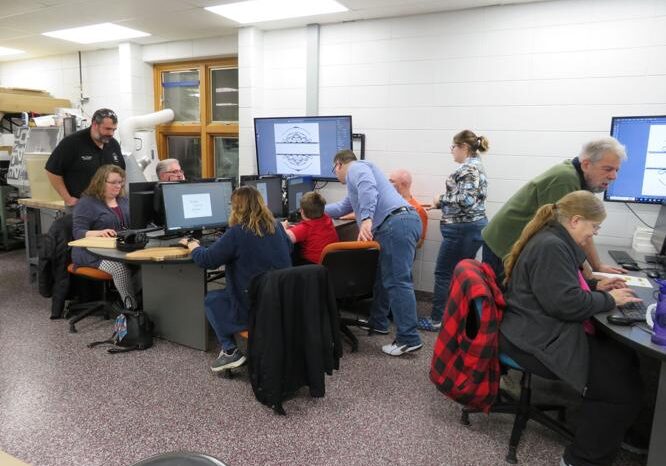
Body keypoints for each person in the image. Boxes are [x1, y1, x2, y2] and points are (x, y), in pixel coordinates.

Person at [499, 190, 642, 466]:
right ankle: (580, 460)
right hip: (533, 339)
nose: (594, 234)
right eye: (594, 227)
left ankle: (614, 428)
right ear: (576, 220)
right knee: (619, 387)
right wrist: (609, 299)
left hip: (535, 327)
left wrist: (595, 287)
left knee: (623, 357)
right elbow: (564, 304)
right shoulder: (551, 245)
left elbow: (561, 287)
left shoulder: (554, 238)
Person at [482, 137, 627, 282]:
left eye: (616, 170)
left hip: (511, 242)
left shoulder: (578, 179)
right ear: (586, 165)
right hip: (504, 244)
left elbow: (582, 229)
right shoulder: (565, 179)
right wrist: (590, 275)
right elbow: (568, 235)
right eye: (608, 169)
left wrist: (597, 266)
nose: (614, 176)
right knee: (501, 298)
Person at [180, 186, 292, 372]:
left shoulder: (237, 233)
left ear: (236, 208)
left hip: (255, 306)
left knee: (212, 300)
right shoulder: (277, 226)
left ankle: (230, 351)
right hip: (282, 300)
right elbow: (289, 249)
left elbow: (207, 260)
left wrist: (193, 245)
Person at [325, 149, 423, 357]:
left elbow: (369, 190)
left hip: (397, 224)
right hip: (399, 223)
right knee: (385, 278)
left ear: (340, 164)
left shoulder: (357, 168)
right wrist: (312, 210)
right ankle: (379, 323)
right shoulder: (356, 181)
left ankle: (409, 339)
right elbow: (343, 207)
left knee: (398, 282)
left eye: (334, 170)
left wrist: (367, 218)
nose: (335, 174)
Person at [419, 131, 490, 332]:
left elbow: (466, 201)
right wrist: (439, 206)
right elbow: (469, 199)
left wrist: (439, 200)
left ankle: (437, 320)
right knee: (460, 274)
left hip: (462, 230)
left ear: (464, 148)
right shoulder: (476, 166)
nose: (451, 151)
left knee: (444, 274)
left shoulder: (469, 169)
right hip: (470, 227)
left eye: (453, 147)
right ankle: (456, 317)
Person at [72, 165, 136, 306]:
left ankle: (141, 301)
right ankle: (132, 309)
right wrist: (98, 233)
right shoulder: (87, 203)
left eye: (120, 182)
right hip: (90, 251)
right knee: (119, 268)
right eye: (113, 182)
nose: (118, 186)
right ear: (101, 182)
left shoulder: (123, 200)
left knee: (145, 265)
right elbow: (77, 232)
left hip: (118, 248)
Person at [46, 108, 123, 209]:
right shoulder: (72, 143)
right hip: (81, 206)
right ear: (95, 125)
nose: (111, 134)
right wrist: (68, 198)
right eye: (107, 129)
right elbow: (52, 171)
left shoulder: (113, 144)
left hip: (108, 206)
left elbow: (120, 173)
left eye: (114, 130)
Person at [282, 191, 339, 265]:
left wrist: (283, 226)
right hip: (330, 265)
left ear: (302, 211)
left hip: (312, 267)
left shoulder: (305, 228)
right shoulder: (328, 219)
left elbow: (283, 238)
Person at [389, 169, 428, 248]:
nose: (389, 184)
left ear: (403, 184)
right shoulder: (388, 204)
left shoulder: (418, 210)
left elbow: (420, 242)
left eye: (392, 181)